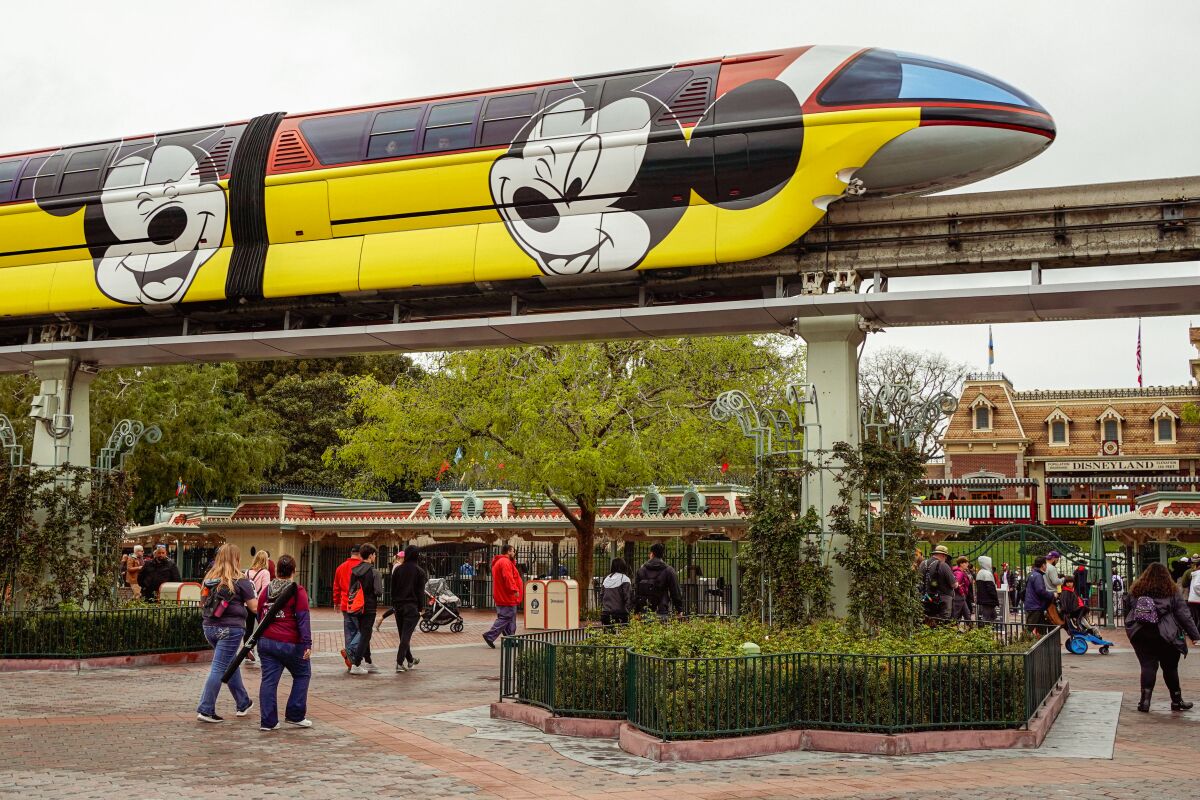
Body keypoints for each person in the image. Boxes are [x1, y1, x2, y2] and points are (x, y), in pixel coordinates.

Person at [1124, 562, 1200, 712]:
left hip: (1141, 633)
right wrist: (1195, 635)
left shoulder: (1136, 590)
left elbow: (1129, 607)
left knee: (1147, 666)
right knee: (1170, 668)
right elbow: (1184, 615)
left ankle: (1144, 701)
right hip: (1167, 634)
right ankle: (1177, 700)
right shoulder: (1171, 591)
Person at [196, 544, 257, 723]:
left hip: (209, 627)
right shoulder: (240, 580)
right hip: (231, 629)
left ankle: (243, 702)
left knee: (230, 664)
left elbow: (202, 603)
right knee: (219, 668)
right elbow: (254, 607)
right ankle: (206, 709)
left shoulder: (209, 579)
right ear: (236, 559)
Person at [256, 554, 313, 731]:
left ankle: (268, 720)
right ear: (293, 571)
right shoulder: (297, 590)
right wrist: (307, 644)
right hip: (289, 642)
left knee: (269, 681)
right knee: (303, 673)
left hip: (266, 641)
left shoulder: (267, 590)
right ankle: (295, 714)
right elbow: (303, 619)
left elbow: (259, 613)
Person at [390, 545, 426, 672]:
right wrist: (421, 608)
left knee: (403, 635)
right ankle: (399, 662)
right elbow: (420, 592)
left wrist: (394, 604)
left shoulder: (398, 570)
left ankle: (410, 660)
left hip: (398, 605)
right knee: (406, 636)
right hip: (411, 606)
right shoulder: (419, 571)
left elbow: (392, 589)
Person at [348, 544, 382, 675]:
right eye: (374, 555)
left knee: (364, 632)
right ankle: (356, 664)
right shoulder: (374, 572)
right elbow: (378, 591)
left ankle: (368, 661)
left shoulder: (354, 570)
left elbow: (351, 588)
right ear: (371, 555)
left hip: (357, 606)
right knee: (365, 634)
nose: (375, 557)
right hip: (369, 607)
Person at [483, 544, 523, 648]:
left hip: (502, 595)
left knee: (510, 619)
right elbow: (508, 578)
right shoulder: (505, 562)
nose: (514, 553)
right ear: (509, 551)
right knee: (506, 617)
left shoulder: (500, 562)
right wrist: (514, 589)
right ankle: (490, 635)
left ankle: (510, 640)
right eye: (513, 551)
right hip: (507, 596)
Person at [634, 542, 683, 619]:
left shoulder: (641, 570)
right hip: (661, 609)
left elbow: (637, 592)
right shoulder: (669, 570)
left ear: (652, 554)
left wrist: (636, 611)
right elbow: (675, 591)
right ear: (663, 555)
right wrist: (679, 610)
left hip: (644, 610)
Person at [332, 544, 362, 670]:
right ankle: (350, 653)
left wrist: (336, 602)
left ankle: (350, 660)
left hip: (345, 603)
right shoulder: (362, 567)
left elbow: (336, 586)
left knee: (349, 632)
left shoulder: (340, 567)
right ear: (360, 554)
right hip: (357, 603)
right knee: (362, 630)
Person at [243, 550, 272, 666]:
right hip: (259, 604)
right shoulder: (265, 572)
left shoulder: (247, 572)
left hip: (247, 604)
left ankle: (247, 650)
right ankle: (261, 649)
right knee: (263, 628)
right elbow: (266, 590)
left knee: (248, 628)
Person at [919, 545, 956, 624]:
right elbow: (953, 584)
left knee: (926, 619)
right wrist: (957, 583)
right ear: (943, 555)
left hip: (925, 597)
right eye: (945, 557)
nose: (946, 559)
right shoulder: (943, 565)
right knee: (943, 621)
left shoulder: (923, 563)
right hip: (942, 599)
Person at [376, 549, 406, 632]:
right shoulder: (398, 566)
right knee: (396, 608)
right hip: (399, 590)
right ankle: (381, 619)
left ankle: (381, 619)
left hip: (399, 590)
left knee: (396, 608)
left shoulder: (397, 565)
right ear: (401, 558)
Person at [1024, 556, 1056, 630]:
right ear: (1043, 565)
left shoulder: (1033, 574)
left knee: (1041, 630)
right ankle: (1026, 641)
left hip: (1033, 605)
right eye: (1046, 565)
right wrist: (1052, 594)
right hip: (1035, 607)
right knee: (1030, 630)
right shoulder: (1038, 576)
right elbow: (1040, 591)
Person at [600, 558, 633, 625]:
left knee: (607, 634)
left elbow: (601, 596)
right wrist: (630, 612)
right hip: (621, 615)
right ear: (624, 566)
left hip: (606, 614)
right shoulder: (625, 579)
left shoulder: (606, 579)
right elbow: (628, 598)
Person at [975, 556, 999, 623]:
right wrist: (995, 599)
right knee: (987, 617)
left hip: (983, 599)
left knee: (993, 616)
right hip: (988, 600)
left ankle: (987, 629)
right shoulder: (987, 573)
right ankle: (984, 631)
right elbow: (991, 588)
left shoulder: (980, 572)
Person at [951, 557, 974, 624]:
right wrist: (961, 592)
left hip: (961, 596)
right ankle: (952, 629)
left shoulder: (961, 572)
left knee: (967, 614)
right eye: (966, 563)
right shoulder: (959, 573)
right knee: (956, 615)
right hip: (959, 596)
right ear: (961, 564)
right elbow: (956, 584)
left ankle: (970, 629)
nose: (968, 564)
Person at [1187, 562, 1200, 631]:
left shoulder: (1195, 574)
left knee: (1194, 619)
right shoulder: (1199, 573)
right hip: (1197, 599)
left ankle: (1194, 635)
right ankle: (1197, 636)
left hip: (1192, 599)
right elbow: (1196, 586)